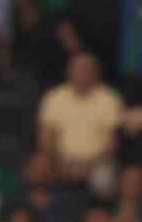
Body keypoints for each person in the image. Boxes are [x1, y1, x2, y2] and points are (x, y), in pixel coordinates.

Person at [38, 52, 123, 193]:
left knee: (104, 178)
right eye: (78, 68)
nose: (83, 72)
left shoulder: (109, 98)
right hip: (60, 160)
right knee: (41, 167)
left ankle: (98, 212)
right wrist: (60, 162)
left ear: (96, 72)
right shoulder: (54, 97)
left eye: (88, 68)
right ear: (69, 70)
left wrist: (88, 165)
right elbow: (45, 138)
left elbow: (113, 144)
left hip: (97, 162)